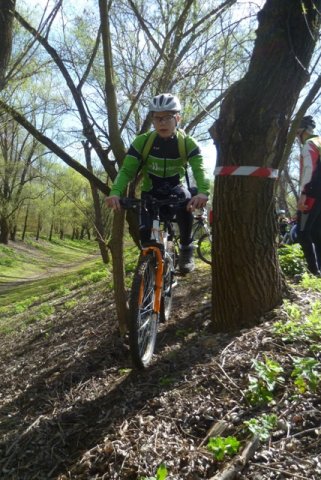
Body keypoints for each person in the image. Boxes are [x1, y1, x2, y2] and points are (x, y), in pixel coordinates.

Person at [106, 93, 210, 273]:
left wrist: (203, 192)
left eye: (168, 117)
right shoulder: (143, 142)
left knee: (186, 203)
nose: (162, 122)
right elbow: (127, 171)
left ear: (177, 118)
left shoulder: (187, 143)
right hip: (151, 193)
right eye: (157, 118)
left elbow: (199, 169)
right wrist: (115, 192)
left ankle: (186, 248)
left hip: (175, 191)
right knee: (146, 238)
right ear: (152, 120)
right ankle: (150, 274)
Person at [295, 115, 321, 276]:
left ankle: (313, 271)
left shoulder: (309, 145)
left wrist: (304, 193)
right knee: (317, 232)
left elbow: (308, 170)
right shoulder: (319, 142)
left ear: (301, 130)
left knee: (303, 232)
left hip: (312, 194)